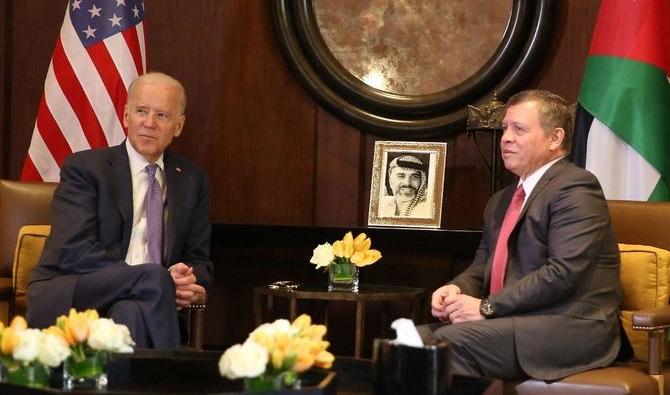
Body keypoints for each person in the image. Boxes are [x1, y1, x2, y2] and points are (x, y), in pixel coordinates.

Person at [418, 90, 628, 380]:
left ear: (555, 138)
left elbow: (562, 273)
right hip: (512, 320)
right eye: (505, 128)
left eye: (519, 129)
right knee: (407, 341)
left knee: (445, 347)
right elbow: (482, 267)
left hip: (569, 327)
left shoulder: (576, 188)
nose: (505, 138)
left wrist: (487, 307)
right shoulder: (501, 200)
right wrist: (457, 289)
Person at [27, 72, 213, 350]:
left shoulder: (192, 180)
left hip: (147, 301)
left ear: (179, 126)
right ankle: (174, 382)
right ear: (126, 116)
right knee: (153, 277)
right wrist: (149, 277)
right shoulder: (85, 168)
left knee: (130, 312)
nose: (149, 123)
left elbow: (200, 261)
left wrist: (186, 279)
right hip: (75, 288)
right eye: (141, 111)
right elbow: (74, 251)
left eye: (162, 115)